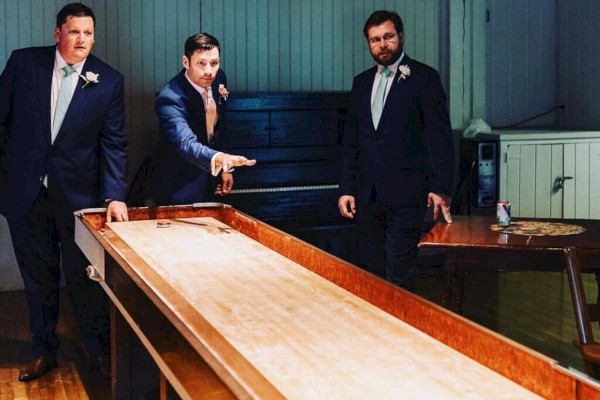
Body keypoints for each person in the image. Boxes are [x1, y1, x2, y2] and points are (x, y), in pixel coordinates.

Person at [0, 3, 128, 381]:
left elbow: (114, 143)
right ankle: (43, 351)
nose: (82, 40)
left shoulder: (109, 79)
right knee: (37, 278)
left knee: (83, 278)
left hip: (79, 198)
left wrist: (114, 195)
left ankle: (98, 354)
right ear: (58, 34)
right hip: (26, 193)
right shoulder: (24, 65)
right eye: (74, 32)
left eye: (88, 33)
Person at [338, 10, 454, 291]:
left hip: (407, 195)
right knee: (372, 270)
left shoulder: (424, 77)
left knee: (398, 271)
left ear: (401, 37)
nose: (382, 44)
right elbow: (351, 141)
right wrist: (346, 187)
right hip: (367, 195)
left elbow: (440, 138)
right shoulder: (361, 82)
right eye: (375, 39)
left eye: (388, 37)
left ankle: (401, 329)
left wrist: (441, 188)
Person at [153, 32, 255, 206]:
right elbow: (185, 143)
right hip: (180, 186)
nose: (209, 71)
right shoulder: (169, 97)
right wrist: (220, 158)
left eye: (214, 63)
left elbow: (220, 124)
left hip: (212, 180)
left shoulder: (219, 78)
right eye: (201, 63)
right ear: (186, 62)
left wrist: (226, 168)